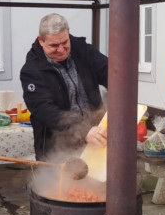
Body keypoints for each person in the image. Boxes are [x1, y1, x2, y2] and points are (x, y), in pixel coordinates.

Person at [20, 13, 109, 161]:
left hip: (95, 136)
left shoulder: (83, 51)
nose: (61, 50)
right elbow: (44, 109)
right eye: (54, 45)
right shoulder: (32, 70)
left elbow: (111, 72)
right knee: (61, 183)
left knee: (97, 180)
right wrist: (84, 130)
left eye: (65, 42)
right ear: (41, 41)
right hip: (56, 146)